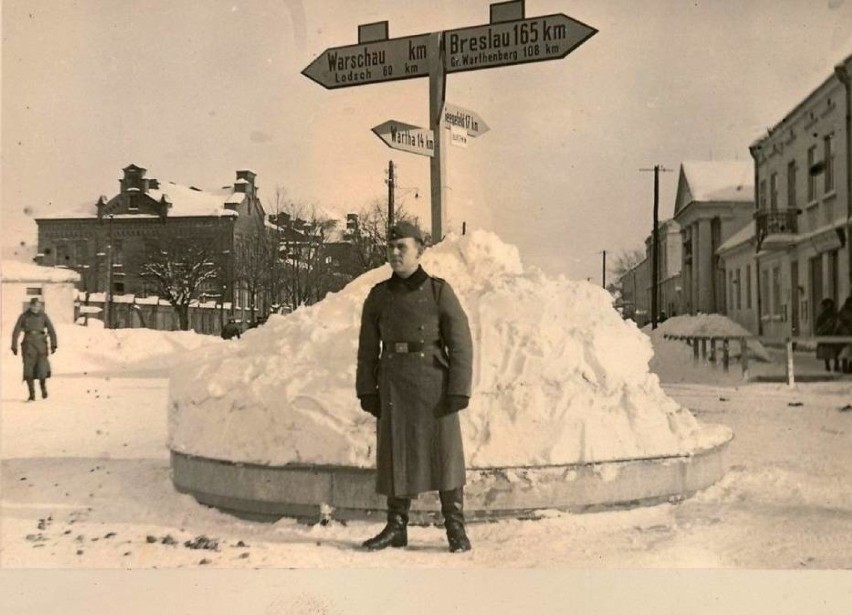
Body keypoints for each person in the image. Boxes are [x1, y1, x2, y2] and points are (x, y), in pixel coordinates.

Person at [356, 221, 474, 553]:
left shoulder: (439, 291)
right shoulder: (378, 296)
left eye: (402, 247)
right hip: (393, 385)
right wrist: (367, 389)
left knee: (445, 454)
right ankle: (396, 527)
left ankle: (455, 528)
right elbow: (367, 348)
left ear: (419, 250)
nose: (395, 253)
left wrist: (458, 389)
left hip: (434, 387)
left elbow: (461, 344)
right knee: (396, 453)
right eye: (391, 247)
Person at [10, 298, 57, 401]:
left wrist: (54, 344)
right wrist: (14, 345)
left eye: (38, 306)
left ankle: (43, 388)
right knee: (28, 369)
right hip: (28, 345)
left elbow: (51, 329)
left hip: (41, 344)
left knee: (42, 368)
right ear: (30, 306)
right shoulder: (24, 316)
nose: (36, 308)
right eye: (34, 306)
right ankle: (32, 394)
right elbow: (16, 331)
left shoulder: (43, 316)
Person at [815, 298, 840, 372]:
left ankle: (829, 365)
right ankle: (835, 365)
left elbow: (818, 326)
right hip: (834, 335)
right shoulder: (835, 314)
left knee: (829, 351)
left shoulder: (822, 315)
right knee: (835, 350)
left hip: (827, 336)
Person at [835, 296, 852, 374]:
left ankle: (850, 367)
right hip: (844, 334)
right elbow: (840, 323)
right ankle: (844, 367)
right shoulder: (843, 311)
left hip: (849, 333)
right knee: (845, 352)